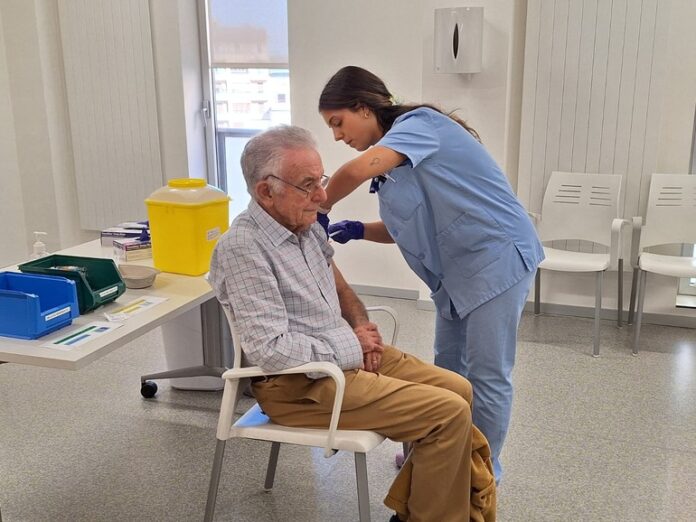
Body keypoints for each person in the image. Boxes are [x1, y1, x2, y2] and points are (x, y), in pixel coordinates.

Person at [209, 125, 496, 522]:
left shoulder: (304, 227)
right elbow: (271, 351)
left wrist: (360, 326)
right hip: (297, 384)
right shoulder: (244, 248)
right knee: (446, 412)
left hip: (340, 358)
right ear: (265, 192)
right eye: (308, 185)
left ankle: (419, 511)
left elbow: (340, 287)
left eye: (321, 180)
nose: (322, 196)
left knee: (458, 389)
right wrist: (351, 346)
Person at [317, 66, 544, 483]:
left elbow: (353, 171)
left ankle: (480, 473)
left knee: (487, 374)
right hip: (457, 273)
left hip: (497, 258)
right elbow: (410, 226)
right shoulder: (394, 164)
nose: (336, 136)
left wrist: (318, 206)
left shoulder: (420, 126)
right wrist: (360, 230)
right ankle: (442, 453)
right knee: (447, 371)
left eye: (337, 122)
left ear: (363, 108)